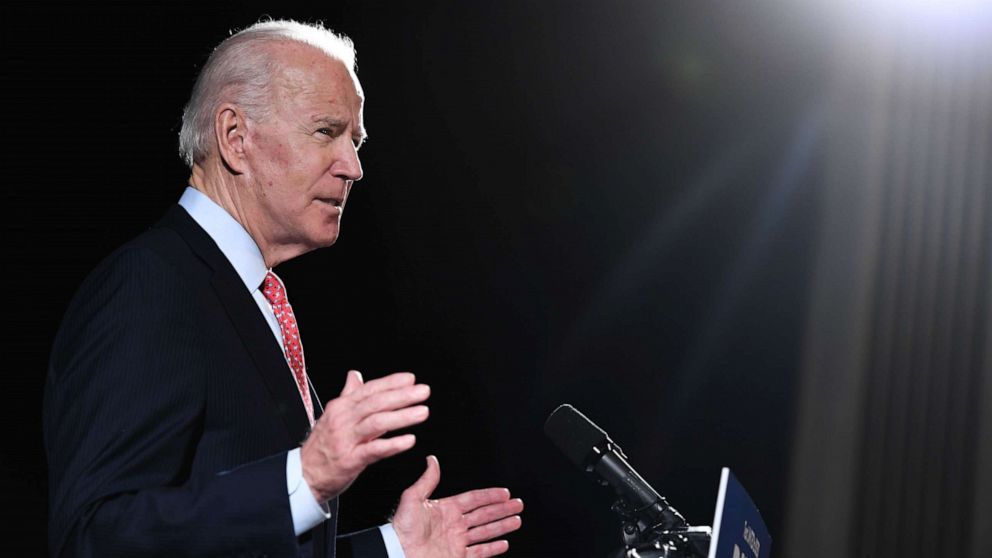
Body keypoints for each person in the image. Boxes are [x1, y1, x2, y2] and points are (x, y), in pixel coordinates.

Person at [43, 19, 523, 558]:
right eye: (326, 131)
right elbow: (95, 538)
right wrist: (307, 476)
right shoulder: (149, 284)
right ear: (235, 138)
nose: (355, 168)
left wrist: (394, 549)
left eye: (356, 140)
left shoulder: (251, 295)